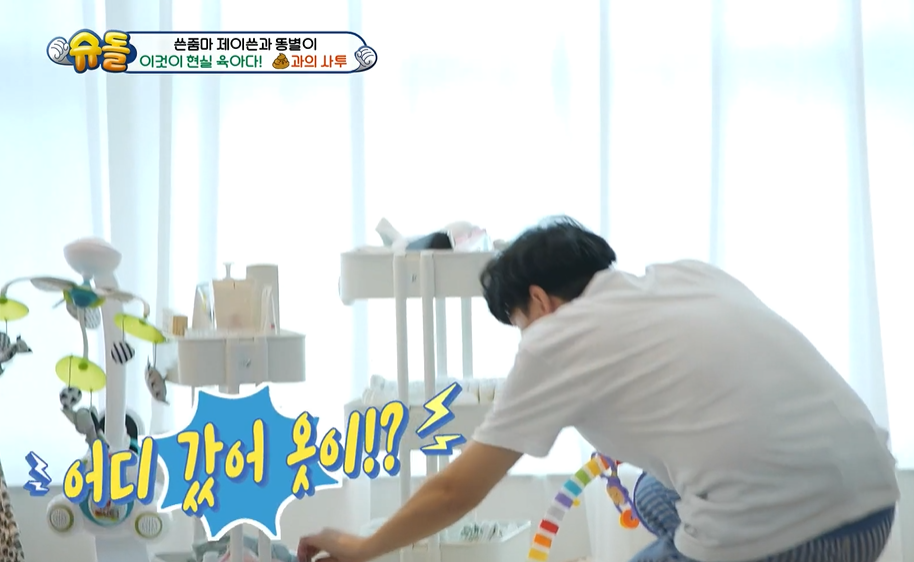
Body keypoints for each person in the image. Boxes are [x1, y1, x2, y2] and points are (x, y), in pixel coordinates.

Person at [299, 217, 899, 562]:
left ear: (538, 301)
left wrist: (364, 546)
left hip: (791, 541)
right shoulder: (689, 276)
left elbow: (457, 489)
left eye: (519, 324)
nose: (526, 338)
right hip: (874, 508)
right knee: (652, 493)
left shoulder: (555, 338)